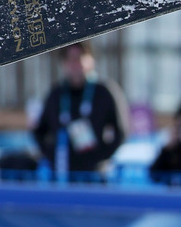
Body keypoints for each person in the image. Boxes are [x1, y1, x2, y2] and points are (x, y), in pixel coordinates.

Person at [33, 41, 126, 182]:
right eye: (69, 59)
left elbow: (121, 130)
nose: (74, 64)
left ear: (91, 60)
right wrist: (53, 154)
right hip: (61, 173)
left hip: (94, 176)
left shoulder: (103, 92)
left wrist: (100, 157)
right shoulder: (57, 94)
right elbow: (39, 131)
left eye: (79, 58)